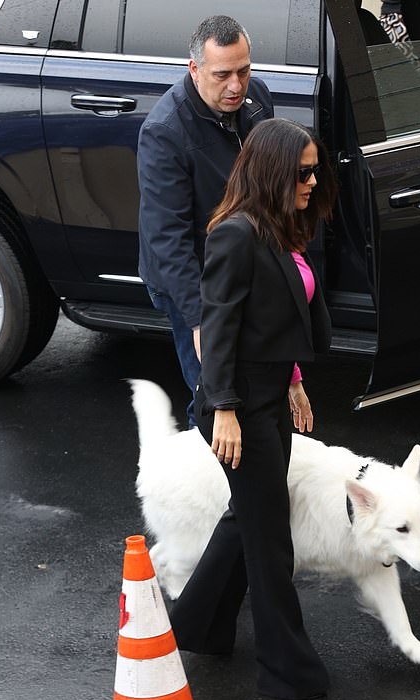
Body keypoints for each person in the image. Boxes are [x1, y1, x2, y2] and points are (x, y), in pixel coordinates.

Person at [169, 118, 337, 700]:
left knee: (250, 518)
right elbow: (218, 330)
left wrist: (293, 380)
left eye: (316, 170)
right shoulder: (235, 235)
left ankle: (196, 625)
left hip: (270, 398)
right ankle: (287, 671)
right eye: (303, 171)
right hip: (237, 410)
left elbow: (277, 320)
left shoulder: (283, 226)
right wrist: (224, 410)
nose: (313, 181)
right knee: (270, 538)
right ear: (272, 172)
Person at [137, 15, 273, 425]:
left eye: (244, 70)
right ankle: (209, 477)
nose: (236, 85)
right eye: (222, 74)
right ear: (194, 69)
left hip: (243, 265)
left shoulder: (258, 97)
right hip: (193, 279)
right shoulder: (164, 132)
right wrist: (200, 320)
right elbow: (169, 240)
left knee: (256, 382)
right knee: (215, 394)